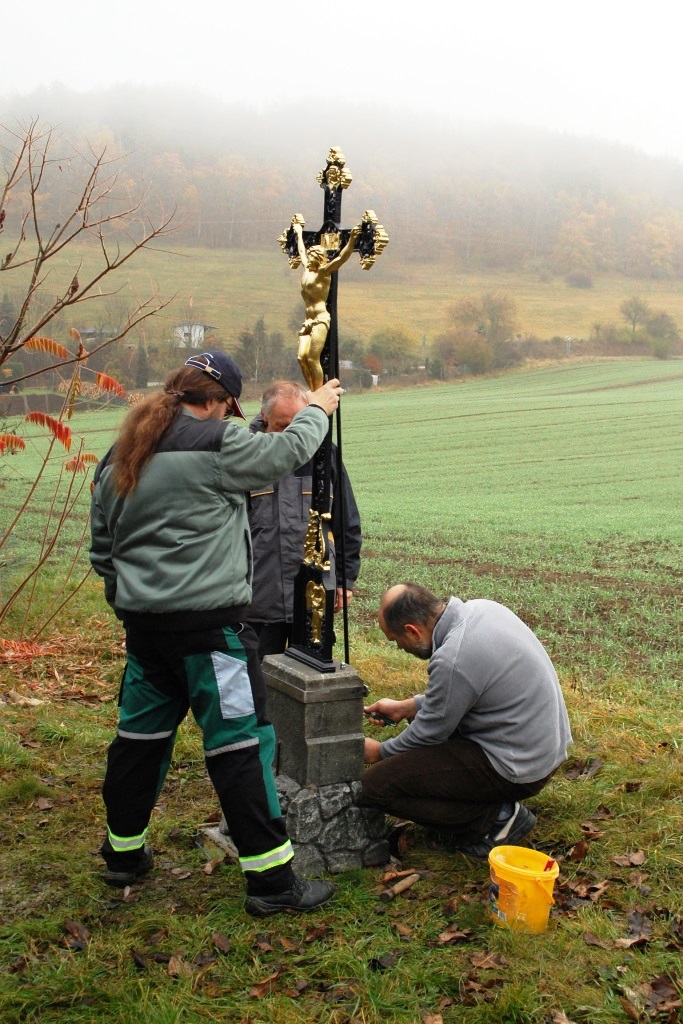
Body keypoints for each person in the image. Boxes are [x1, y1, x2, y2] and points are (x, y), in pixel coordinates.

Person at [89, 350, 343, 915]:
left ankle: (122, 855)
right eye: (231, 407)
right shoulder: (215, 444)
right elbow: (283, 453)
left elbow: (103, 553)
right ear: (223, 401)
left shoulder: (122, 452)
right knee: (242, 746)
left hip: (145, 636)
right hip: (212, 636)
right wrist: (318, 409)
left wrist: (133, 604)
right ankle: (273, 883)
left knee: (139, 741)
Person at [360, 582, 572, 857]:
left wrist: (380, 751)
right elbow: (465, 692)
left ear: (412, 630)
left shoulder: (453, 657)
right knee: (416, 737)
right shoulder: (482, 609)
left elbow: (430, 732)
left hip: (519, 768)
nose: (399, 647)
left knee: (375, 787)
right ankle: (489, 806)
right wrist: (407, 707)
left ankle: (495, 819)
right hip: (540, 749)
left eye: (395, 640)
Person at [245, 379, 362, 658]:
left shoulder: (325, 456)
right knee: (259, 681)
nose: (290, 435)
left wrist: (345, 581)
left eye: (296, 424)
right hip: (259, 600)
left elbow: (346, 521)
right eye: (282, 426)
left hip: (314, 597)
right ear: (264, 416)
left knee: (312, 675)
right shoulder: (245, 456)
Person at [292, 217, 361, 391]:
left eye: (315, 256)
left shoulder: (324, 272)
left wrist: (352, 240)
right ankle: (314, 391)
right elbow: (301, 249)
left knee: (312, 358)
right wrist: (299, 232)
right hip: (307, 320)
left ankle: (319, 393)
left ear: (321, 258)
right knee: (301, 358)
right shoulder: (307, 268)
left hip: (321, 319)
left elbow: (341, 258)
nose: (311, 257)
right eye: (311, 255)